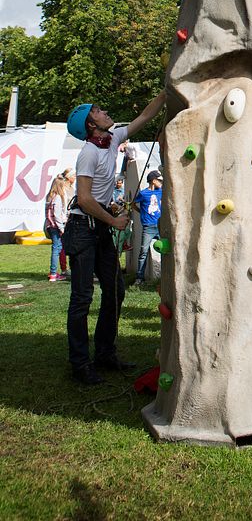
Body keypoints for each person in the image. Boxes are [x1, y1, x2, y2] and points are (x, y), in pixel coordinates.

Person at [63, 92, 166, 385]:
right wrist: (113, 218)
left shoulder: (114, 136)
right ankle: (80, 364)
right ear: (90, 126)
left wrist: (167, 89)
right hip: (84, 229)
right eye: (97, 110)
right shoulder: (89, 152)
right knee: (82, 299)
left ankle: (105, 353)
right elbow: (83, 199)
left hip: (99, 228)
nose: (104, 110)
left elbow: (145, 116)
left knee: (115, 291)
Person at [132, 170, 163, 285]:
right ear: (153, 181)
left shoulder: (161, 191)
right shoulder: (143, 193)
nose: (161, 182)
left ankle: (164, 276)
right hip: (148, 227)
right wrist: (142, 212)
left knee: (164, 251)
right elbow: (133, 204)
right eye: (159, 180)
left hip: (159, 225)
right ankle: (139, 277)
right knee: (143, 251)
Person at [45, 176, 69, 281]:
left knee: (57, 248)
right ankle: (53, 273)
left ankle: (53, 273)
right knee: (56, 249)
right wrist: (61, 228)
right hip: (56, 226)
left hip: (49, 225)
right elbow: (57, 215)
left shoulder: (49, 196)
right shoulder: (58, 198)